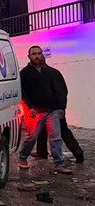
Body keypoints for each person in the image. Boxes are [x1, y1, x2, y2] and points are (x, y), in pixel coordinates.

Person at [18, 45, 71, 174]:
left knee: (55, 137)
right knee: (31, 137)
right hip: (36, 112)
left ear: (42, 55)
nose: (36, 56)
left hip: (52, 110)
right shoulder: (24, 73)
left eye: (39, 53)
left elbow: (59, 90)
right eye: (34, 54)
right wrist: (30, 108)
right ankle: (23, 157)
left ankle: (59, 163)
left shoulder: (50, 72)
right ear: (29, 56)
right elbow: (23, 93)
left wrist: (61, 108)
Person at [31, 54, 84, 163]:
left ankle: (42, 152)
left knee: (44, 129)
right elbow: (63, 91)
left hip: (49, 109)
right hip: (56, 107)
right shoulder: (55, 73)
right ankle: (77, 151)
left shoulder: (41, 75)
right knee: (63, 130)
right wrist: (62, 107)